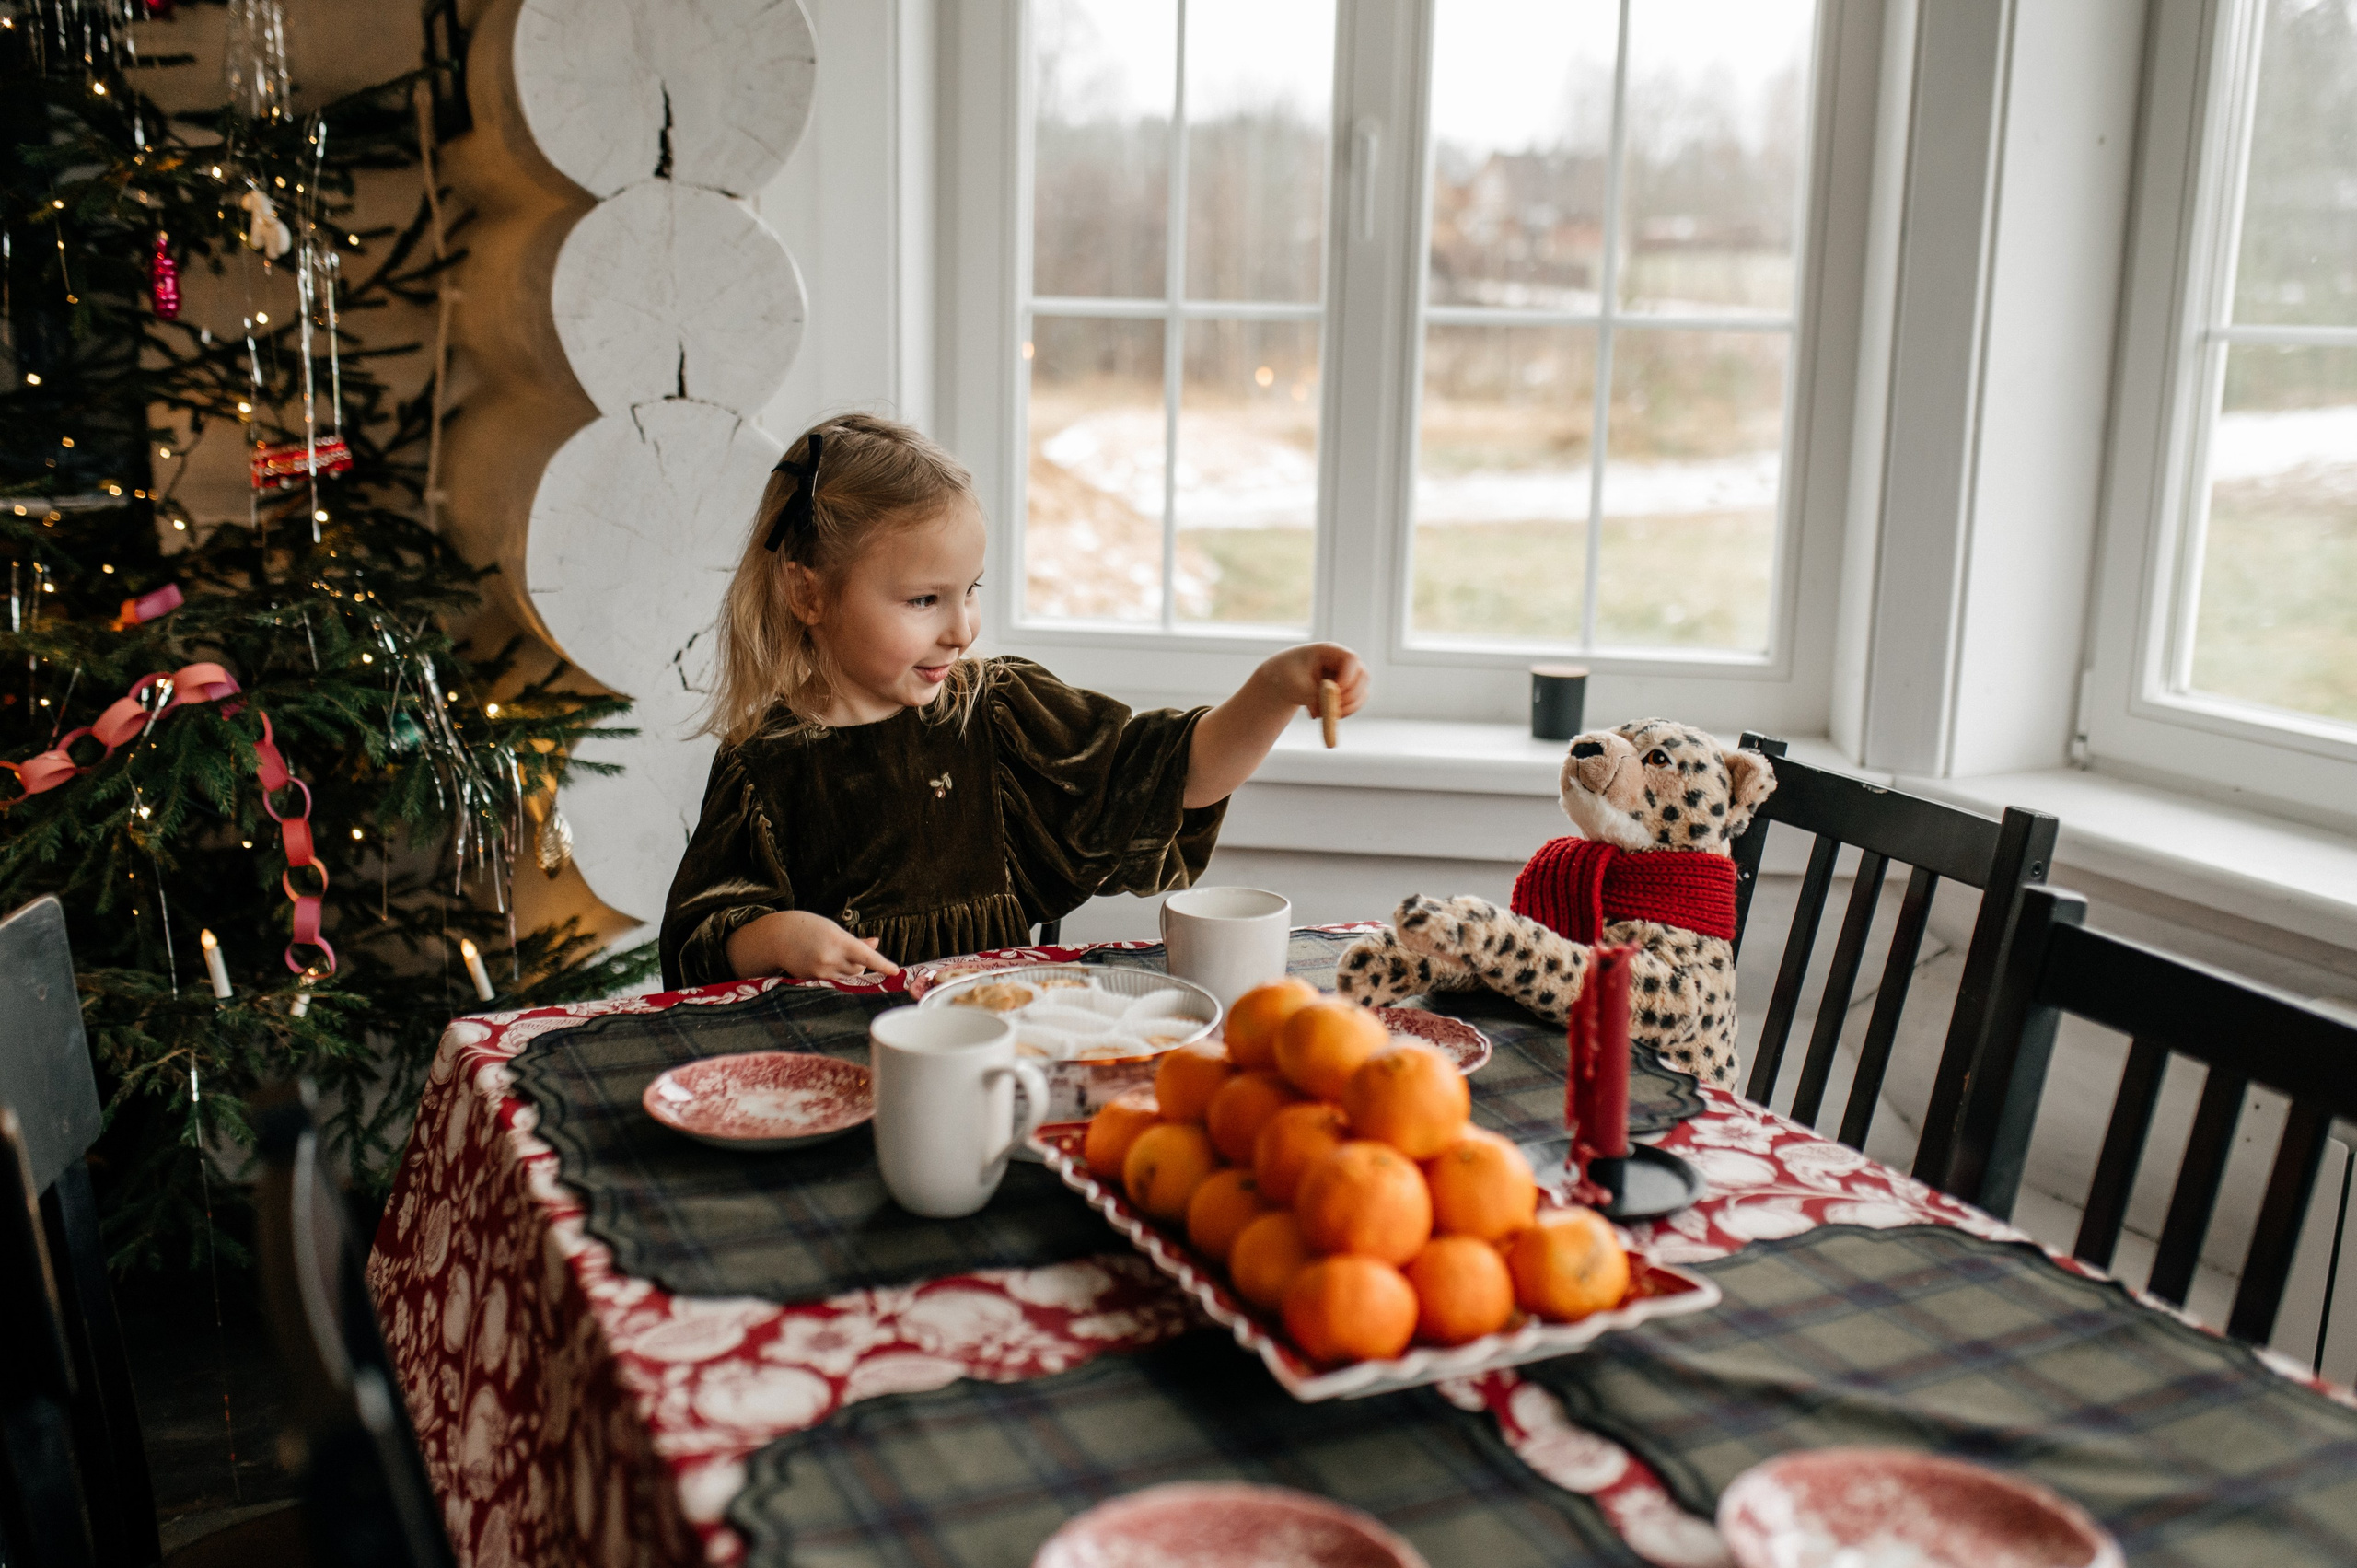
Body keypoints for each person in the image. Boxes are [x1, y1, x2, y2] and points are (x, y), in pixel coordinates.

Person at [658, 414, 1367, 987]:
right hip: (831, 1067)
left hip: (992, 1045)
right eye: (924, 599)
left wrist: (1274, 689)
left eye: (971, 590)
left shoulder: (995, 715)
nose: (962, 628)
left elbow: (1165, 779)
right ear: (807, 591)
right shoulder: (764, 764)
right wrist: (779, 936)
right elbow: (698, 946)